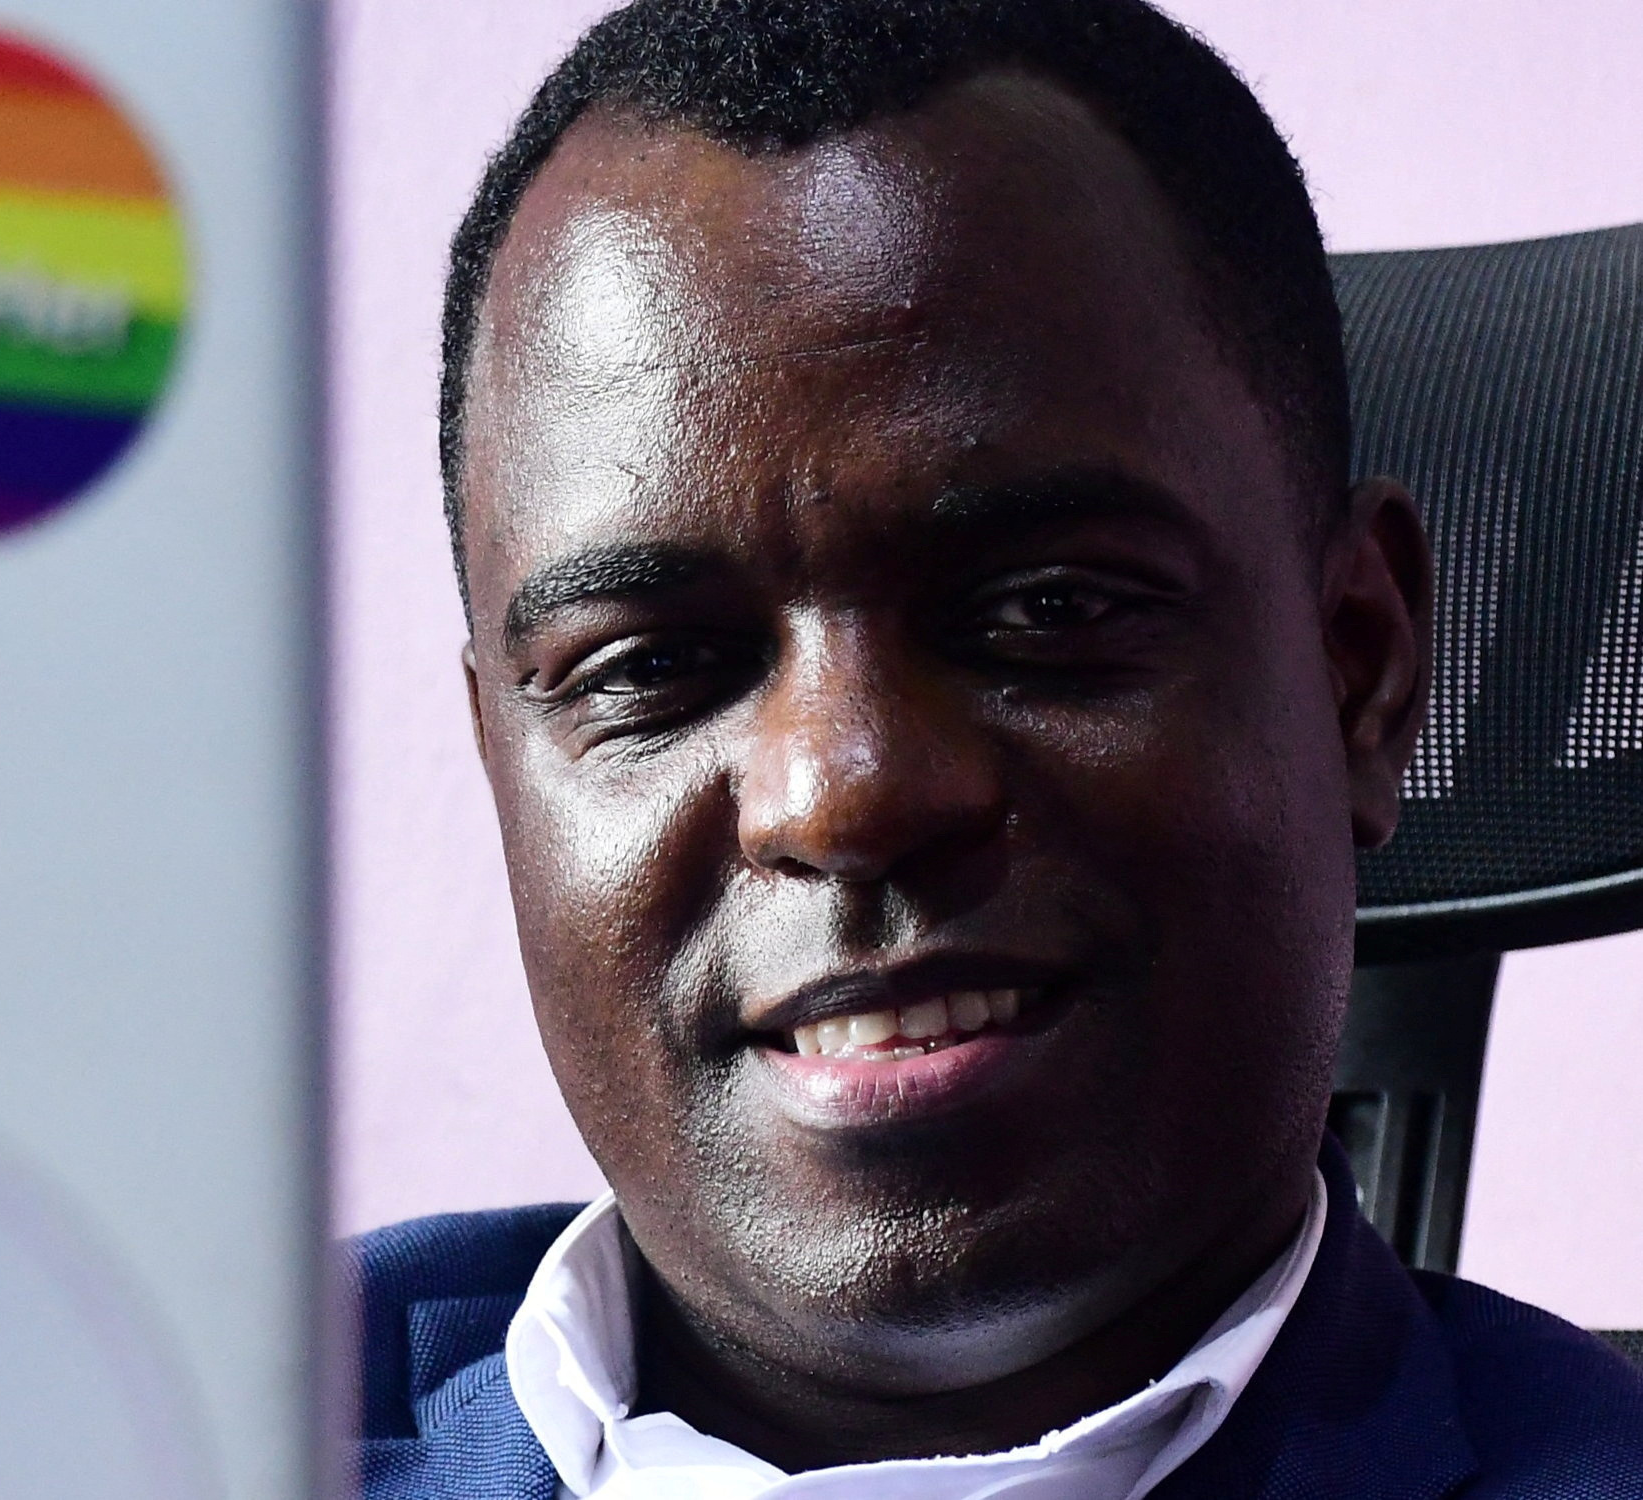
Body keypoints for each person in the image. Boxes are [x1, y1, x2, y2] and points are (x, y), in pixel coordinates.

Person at [349, 1, 1643, 1495]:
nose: (841, 790)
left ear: (1356, 669)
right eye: (647, 668)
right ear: (506, 769)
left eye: (1046, 607)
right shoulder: (151, 1410)